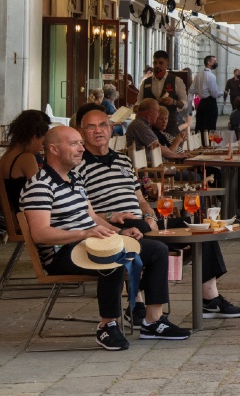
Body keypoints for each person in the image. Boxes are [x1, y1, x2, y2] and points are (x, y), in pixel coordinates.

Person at [22, 125, 187, 349]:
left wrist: (119, 232)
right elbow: (40, 234)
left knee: (156, 249)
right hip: (62, 254)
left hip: (90, 244)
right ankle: (107, 326)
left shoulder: (75, 180)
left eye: (81, 143)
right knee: (114, 257)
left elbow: (92, 217)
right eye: (74, 144)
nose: (81, 148)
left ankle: (153, 321)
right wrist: (84, 233)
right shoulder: (40, 186)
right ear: (53, 149)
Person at [75, 106, 240, 321]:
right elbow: (81, 208)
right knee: (146, 237)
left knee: (199, 230)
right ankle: (136, 304)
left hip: (143, 221)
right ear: (81, 132)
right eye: (91, 127)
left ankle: (209, 298)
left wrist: (150, 215)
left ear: (111, 129)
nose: (98, 131)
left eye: (102, 125)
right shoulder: (77, 165)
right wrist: (109, 216)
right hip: (112, 227)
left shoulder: (123, 161)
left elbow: (140, 199)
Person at [1, 110, 51, 219]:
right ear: (33, 138)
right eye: (42, 143)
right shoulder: (26, 158)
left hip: (17, 217)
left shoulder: (5, 157)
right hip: (29, 219)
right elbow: (41, 192)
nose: (42, 147)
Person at [139, 50, 189, 134]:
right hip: (150, 128)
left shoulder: (176, 81)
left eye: (161, 63)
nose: (157, 65)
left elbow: (185, 104)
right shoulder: (146, 82)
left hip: (170, 125)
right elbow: (138, 103)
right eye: (155, 63)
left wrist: (173, 102)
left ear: (167, 64)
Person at [191, 55, 220, 133]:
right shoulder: (211, 76)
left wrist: (200, 92)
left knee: (200, 126)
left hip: (202, 104)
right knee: (210, 127)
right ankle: (209, 144)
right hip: (210, 104)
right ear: (209, 62)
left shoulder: (198, 75)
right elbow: (214, 94)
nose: (216, 63)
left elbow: (192, 89)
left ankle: (201, 143)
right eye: (214, 61)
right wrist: (222, 93)